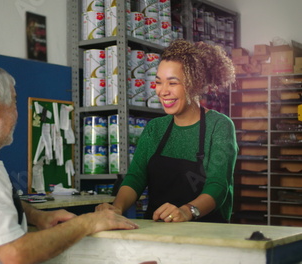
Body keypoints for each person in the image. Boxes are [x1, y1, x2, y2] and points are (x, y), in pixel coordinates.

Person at [0, 63, 137, 263]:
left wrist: (36, 216)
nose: (16, 113)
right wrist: (88, 222)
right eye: (14, 102)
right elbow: (16, 253)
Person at [96, 39, 238, 223]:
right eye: (158, 82)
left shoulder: (219, 126)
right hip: (158, 233)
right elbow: (135, 177)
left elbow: (218, 186)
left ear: (194, 84)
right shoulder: (155, 128)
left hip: (206, 234)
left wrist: (187, 211)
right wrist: (117, 208)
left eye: (172, 83)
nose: (163, 91)